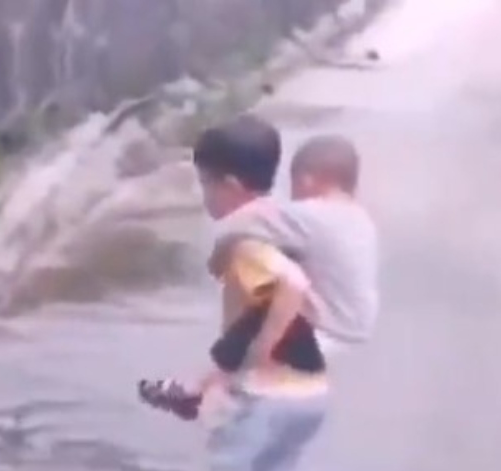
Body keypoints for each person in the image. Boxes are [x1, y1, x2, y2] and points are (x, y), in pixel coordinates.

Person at [125, 115, 342, 471]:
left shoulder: (247, 240)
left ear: (229, 185)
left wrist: (242, 362)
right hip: (310, 391)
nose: (204, 197)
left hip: (268, 392)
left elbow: (290, 290)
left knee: (214, 469)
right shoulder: (285, 223)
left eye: (205, 184)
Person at [140, 132, 379, 419]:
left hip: (325, 328)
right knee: (270, 292)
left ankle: (199, 388)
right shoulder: (359, 219)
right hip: (354, 325)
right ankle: (204, 387)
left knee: (262, 310)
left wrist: (220, 254)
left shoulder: (312, 214)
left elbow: (244, 220)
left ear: (307, 180)